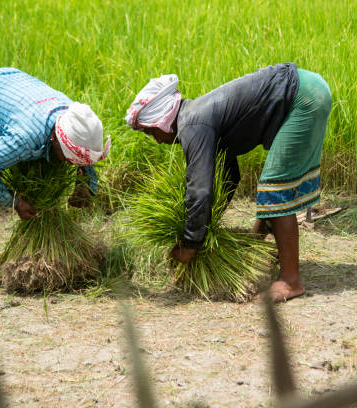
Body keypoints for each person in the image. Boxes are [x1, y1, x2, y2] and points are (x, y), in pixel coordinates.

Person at [125, 63, 331, 301]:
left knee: (274, 186)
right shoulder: (197, 117)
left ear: (161, 122)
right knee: (271, 185)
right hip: (304, 88)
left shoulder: (192, 126)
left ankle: (291, 281)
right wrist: (207, 226)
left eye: (152, 133)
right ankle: (260, 237)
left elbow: (199, 191)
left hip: (302, 97)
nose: (158, 141)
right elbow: (229, 178)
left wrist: (191, 244)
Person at [0, 67, 110, 301]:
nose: (74, 163)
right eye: (70, 157)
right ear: (56, 140)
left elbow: (86, 152)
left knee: (45, 169)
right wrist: (13, 201)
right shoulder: (23, 139)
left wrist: (86, 183)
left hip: (9, 99)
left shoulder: (77, 118)